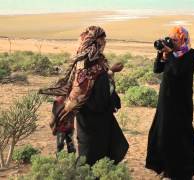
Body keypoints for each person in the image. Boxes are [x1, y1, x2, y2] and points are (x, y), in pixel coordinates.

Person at [39, 26, 128, 166]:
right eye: (103, 41)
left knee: (103, 152)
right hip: (93, 121)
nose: (105, 43)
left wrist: (109, 73)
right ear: (96, 43)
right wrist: (109, 76)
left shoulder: (88, 63)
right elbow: (96, 98)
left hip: (93, 120)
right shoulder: (89, 66)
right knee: (91, 159)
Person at [146, 26, 194, 180]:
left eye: (174, 40)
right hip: (166, 100)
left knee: (184, 134)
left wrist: (170, 54)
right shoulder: (171, 54)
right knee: (164, 132)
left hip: (181, 101)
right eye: (170, 39)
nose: (171, 42)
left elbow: (178, 71)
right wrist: (161, 53)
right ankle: (166, 169)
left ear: (183, 39)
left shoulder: (191, 54)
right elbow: (157, 69)